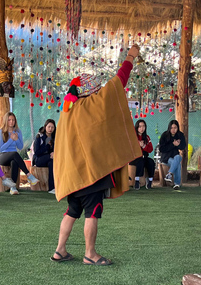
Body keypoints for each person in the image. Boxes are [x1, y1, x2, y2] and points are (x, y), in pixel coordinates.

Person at [52, 44, 143, 266]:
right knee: (93, 213)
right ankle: (90, 254)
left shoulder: (67, 111)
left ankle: (60, 250)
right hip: (92, 173)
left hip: (73, 175)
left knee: (72, 211)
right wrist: (130, 57)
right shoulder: (95, 103)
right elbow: (119, 81)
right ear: (92, 90)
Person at [0, 112, 38, 194]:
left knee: (14, 162)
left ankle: (13, 187)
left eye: (13, 120)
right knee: (14, 154)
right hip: (3, 156)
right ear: (6, 121)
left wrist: (16, 139)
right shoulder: (1, 131)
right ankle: (28, 175)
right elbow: (0, 149)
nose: (11, 122)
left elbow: (20, 147)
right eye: (9, 120)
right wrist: (11, 139)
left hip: (14, 156)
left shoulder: (18, 131)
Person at [158, 119, 186, 190]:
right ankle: (177, 183)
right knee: (178, 164)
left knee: (178, 157)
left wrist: (178, 144)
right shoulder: (165, 135)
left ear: (178, 128)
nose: (173, 130)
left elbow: (183, 147)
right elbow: (161, 149)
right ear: (169, 128)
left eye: (175, 128)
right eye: (171, 128)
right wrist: (173, 144)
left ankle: (169, 174)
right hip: (166, 158)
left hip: (175, 156)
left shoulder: (180, 135)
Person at [32, 119, 56, 194]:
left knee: (52, 163)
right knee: (51, 158)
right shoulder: (39, 136)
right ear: (45, 127)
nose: (50, 129)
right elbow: (36, 152)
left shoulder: (54, 137)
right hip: (38, 160)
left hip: (49, 159)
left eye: (52, 127)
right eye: (49, 127)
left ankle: (52, 188)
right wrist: (47, 146)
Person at [130, 119, 154, 190]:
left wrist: (144, 146)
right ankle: (137, 181)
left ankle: (150, 181)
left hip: (144, 157)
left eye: (143, 126)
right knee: (140, 161)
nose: (141, 128)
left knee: (151, 162)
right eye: (140, 126)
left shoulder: (147, 137)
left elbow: (150, 149)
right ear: (137, 127)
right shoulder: (133, 137)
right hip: (135, 158)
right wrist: (138, 145)